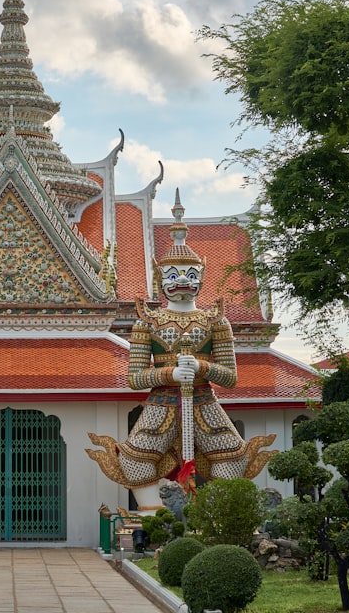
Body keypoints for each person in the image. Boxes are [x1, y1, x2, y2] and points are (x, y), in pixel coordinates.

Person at [87, 190, 274, 509]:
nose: (181, 281)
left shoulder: (216, 320)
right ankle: (154, 517)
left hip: (203, 402)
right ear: (160, 278)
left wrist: (202, 369)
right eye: (172, 275)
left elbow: (230, 378)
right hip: (161, 404)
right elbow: (135, 379)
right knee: (134, 463)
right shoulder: (147, 322)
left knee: (233, 463)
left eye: (190, 274)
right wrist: (170, 373)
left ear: (201, 277)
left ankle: (217, 519)